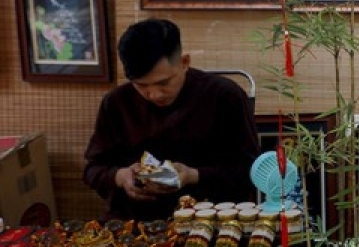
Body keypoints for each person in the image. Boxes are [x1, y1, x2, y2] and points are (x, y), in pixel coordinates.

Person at [84, 19, 260, 220]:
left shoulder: (225, 96)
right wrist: (120, 177)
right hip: (136, 222)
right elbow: (93, 169)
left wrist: (193, 176)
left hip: (208, 219)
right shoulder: (116, 103)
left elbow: (250, 171)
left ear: (184, 62)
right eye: (142, 86)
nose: (155, 95)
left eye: (163, 82)